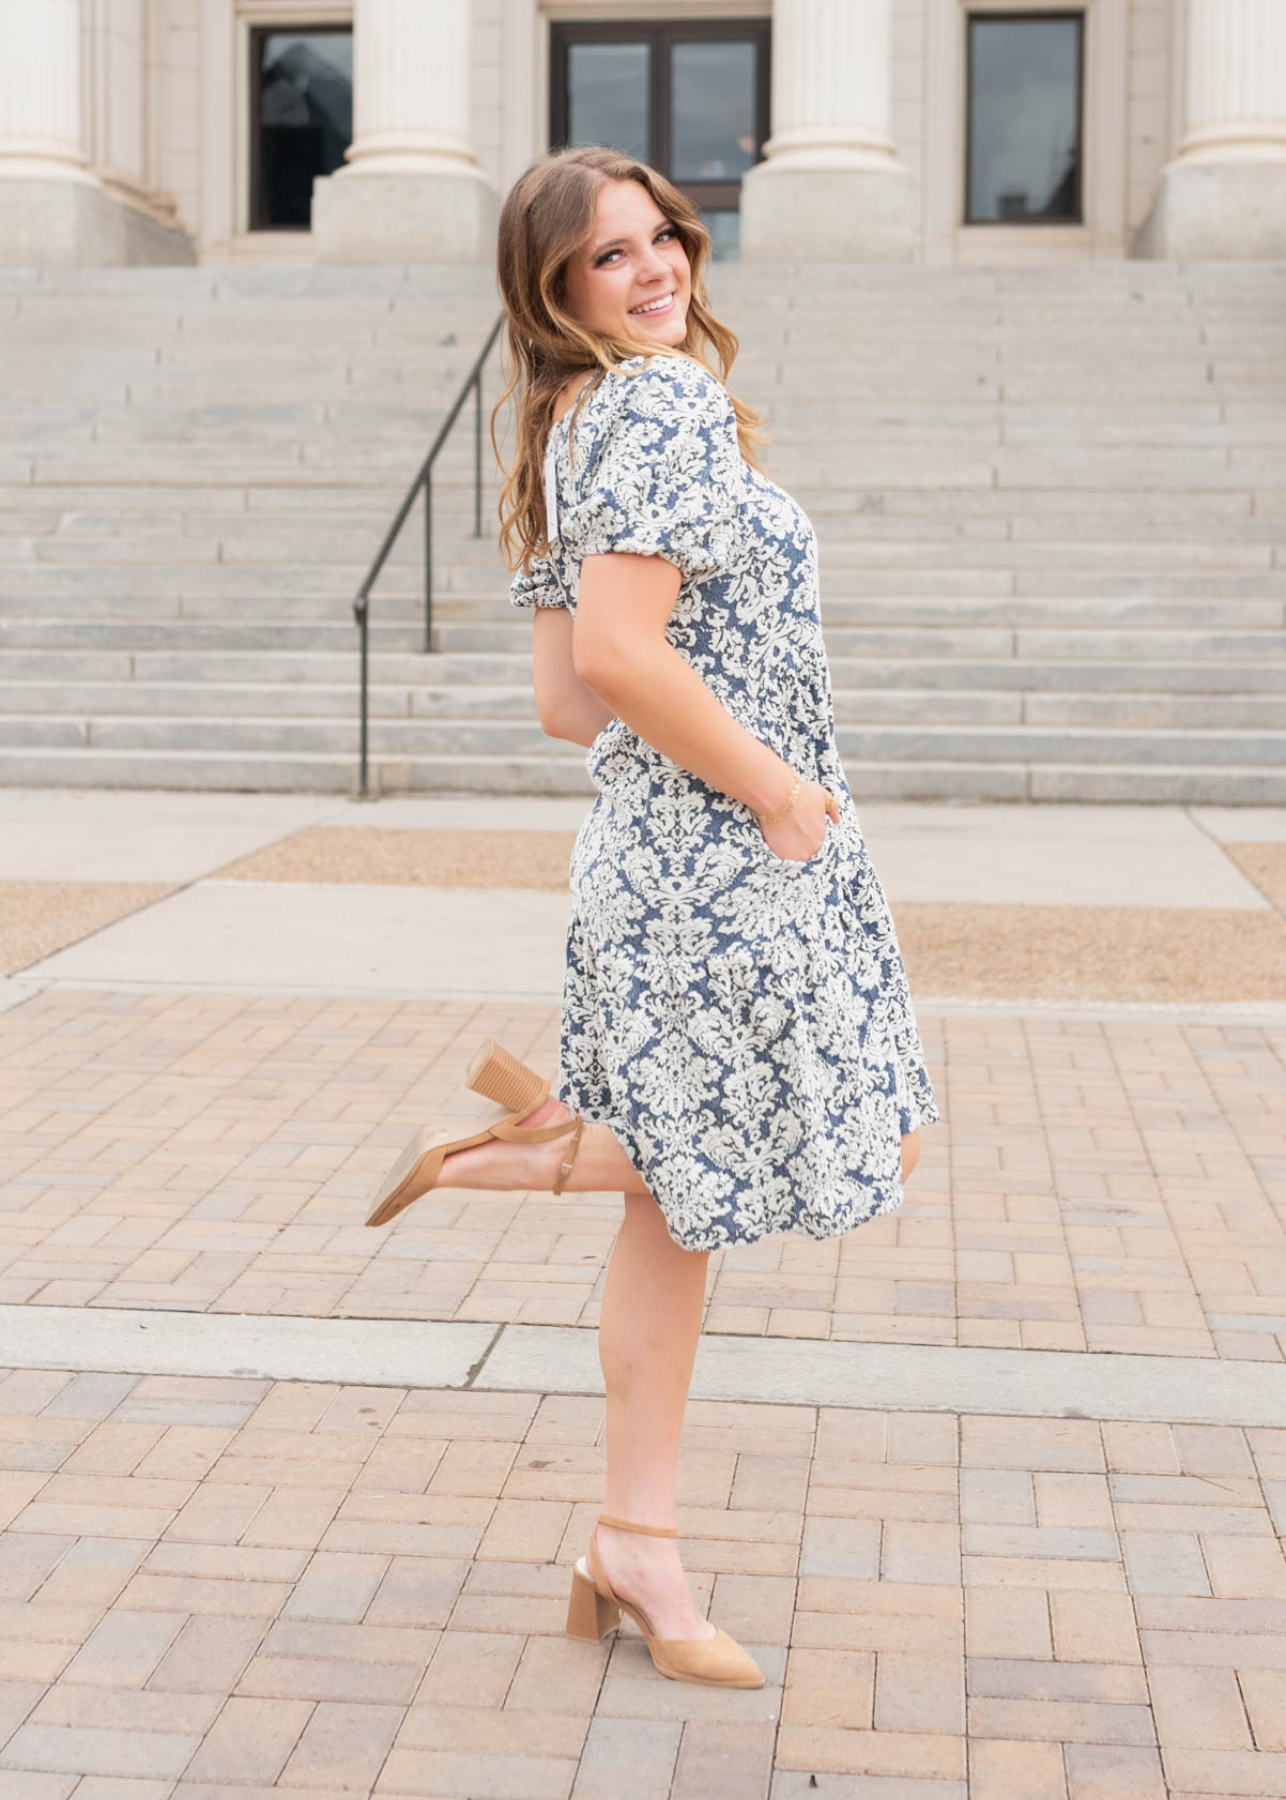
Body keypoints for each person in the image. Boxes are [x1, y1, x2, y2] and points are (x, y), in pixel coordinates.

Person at [365, 144, 939, 1691]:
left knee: (688, 1206)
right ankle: (536, 1149)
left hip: (643, 859)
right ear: (555, 288)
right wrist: (778, 792)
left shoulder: (566, 421)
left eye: (660, 239)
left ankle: (636, 1541)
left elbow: (562, 702)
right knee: (849, 1123)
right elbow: (614, 665)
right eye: (608, 257)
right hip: (728, 862)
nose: (653, 270)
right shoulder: (661, 404)